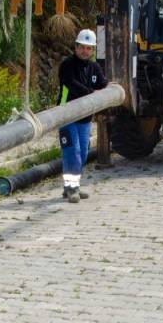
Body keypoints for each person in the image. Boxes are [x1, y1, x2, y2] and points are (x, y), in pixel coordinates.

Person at [57, 29, 108, 203]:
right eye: (82, 47)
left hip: (85, 119)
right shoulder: (67, 65)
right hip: (66, 116)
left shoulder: (94, 67)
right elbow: (70, 84)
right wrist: (92, 93)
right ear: (76, 47)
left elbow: (103, 84)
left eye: (89, 48)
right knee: (73, 153)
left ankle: (71, 186)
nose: (85, 51)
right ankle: (72, 189)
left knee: (83, 154)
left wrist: (109, 89)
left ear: (93, 50)